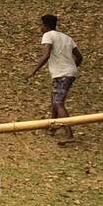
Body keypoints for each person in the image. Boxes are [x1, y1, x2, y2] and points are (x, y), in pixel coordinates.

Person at [30, 13, 83, 144]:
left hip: (62, 74)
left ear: (46, 26)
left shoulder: (48, 35)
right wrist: (71, 67)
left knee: (59, 102)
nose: (40, 27)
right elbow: (80, 57)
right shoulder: (67, 37)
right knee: (54, 98)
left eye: (41, 25)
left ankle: (69, 135)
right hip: (67, 73)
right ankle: (52, 127)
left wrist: (33, 70)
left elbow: (46, 54)